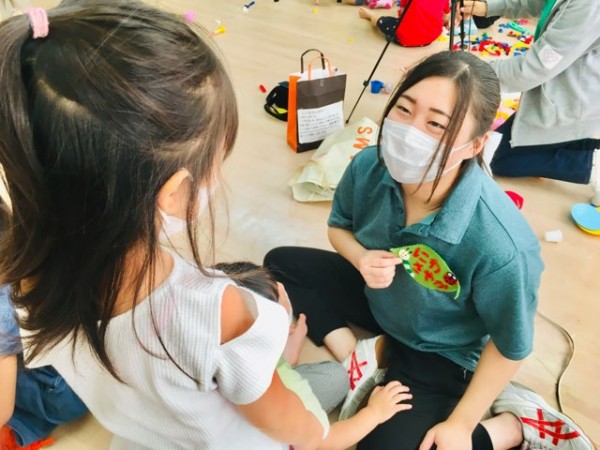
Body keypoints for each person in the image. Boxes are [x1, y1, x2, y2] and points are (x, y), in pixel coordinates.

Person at [0, 3, 409, 449]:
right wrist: (273, 348)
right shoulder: (217, 311)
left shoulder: (22, 278)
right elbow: (302, 433)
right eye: (215, 161)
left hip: (146, 438)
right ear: (175, 191)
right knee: (331, 379)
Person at [265, 51, 594, 450]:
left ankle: (511, 426)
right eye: (404, 109)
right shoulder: (370, 165)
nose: (409, 131)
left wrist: (463, 423)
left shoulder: (502, 244)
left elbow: (510, 346)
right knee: (279, 265)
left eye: (436, 124)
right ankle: (356, 353)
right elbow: (339, 227)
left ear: (475, 145)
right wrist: (360, 258)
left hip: (441, 350)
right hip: (382, 300)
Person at [215, 262, 414, 449]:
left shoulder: (215, 347)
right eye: (280, 296)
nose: (283, 289)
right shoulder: (280, 389)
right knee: (335, 377)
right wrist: (374, 413)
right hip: (269, 438)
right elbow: (324, 442)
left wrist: (285, 356)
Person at [462, 0, 600, 184]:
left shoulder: (589, 5)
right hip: (560, 89)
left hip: (573, 101)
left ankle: (589, 164)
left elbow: (535, 67)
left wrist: (468, 73)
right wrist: (487, 7)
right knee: (491, 150)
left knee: (491, 156)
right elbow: (537, 2)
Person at [0, 285, 87, 450]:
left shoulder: (3, 315)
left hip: (62, 394)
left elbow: (3, 411)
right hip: (78, 381)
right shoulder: (17, 289)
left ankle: (16, 430)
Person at [357, 0, 451, 47]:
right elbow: (445, 16)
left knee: (385, 21)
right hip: (431, 38)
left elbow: (402, 13)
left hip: (406, 39)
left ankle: (372, 16)